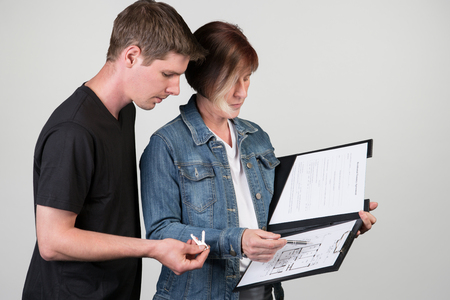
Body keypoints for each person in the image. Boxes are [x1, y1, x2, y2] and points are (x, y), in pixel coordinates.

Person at [140, 21, 378, 300]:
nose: (242, 92)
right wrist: (237, 240)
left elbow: (281, 221)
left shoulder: (256, 138)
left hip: (264, 292)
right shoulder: (166, 144)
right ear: (203, 77)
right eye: (231, 80)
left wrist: (342, 224)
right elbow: (161, 233)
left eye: (247, 77)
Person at [22, 1, 210, 299]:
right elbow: (52, 242)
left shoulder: (125, 112)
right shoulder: (73, 131)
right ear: (132, 56)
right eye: (167, 74)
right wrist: (154, 248)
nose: (175, 89)